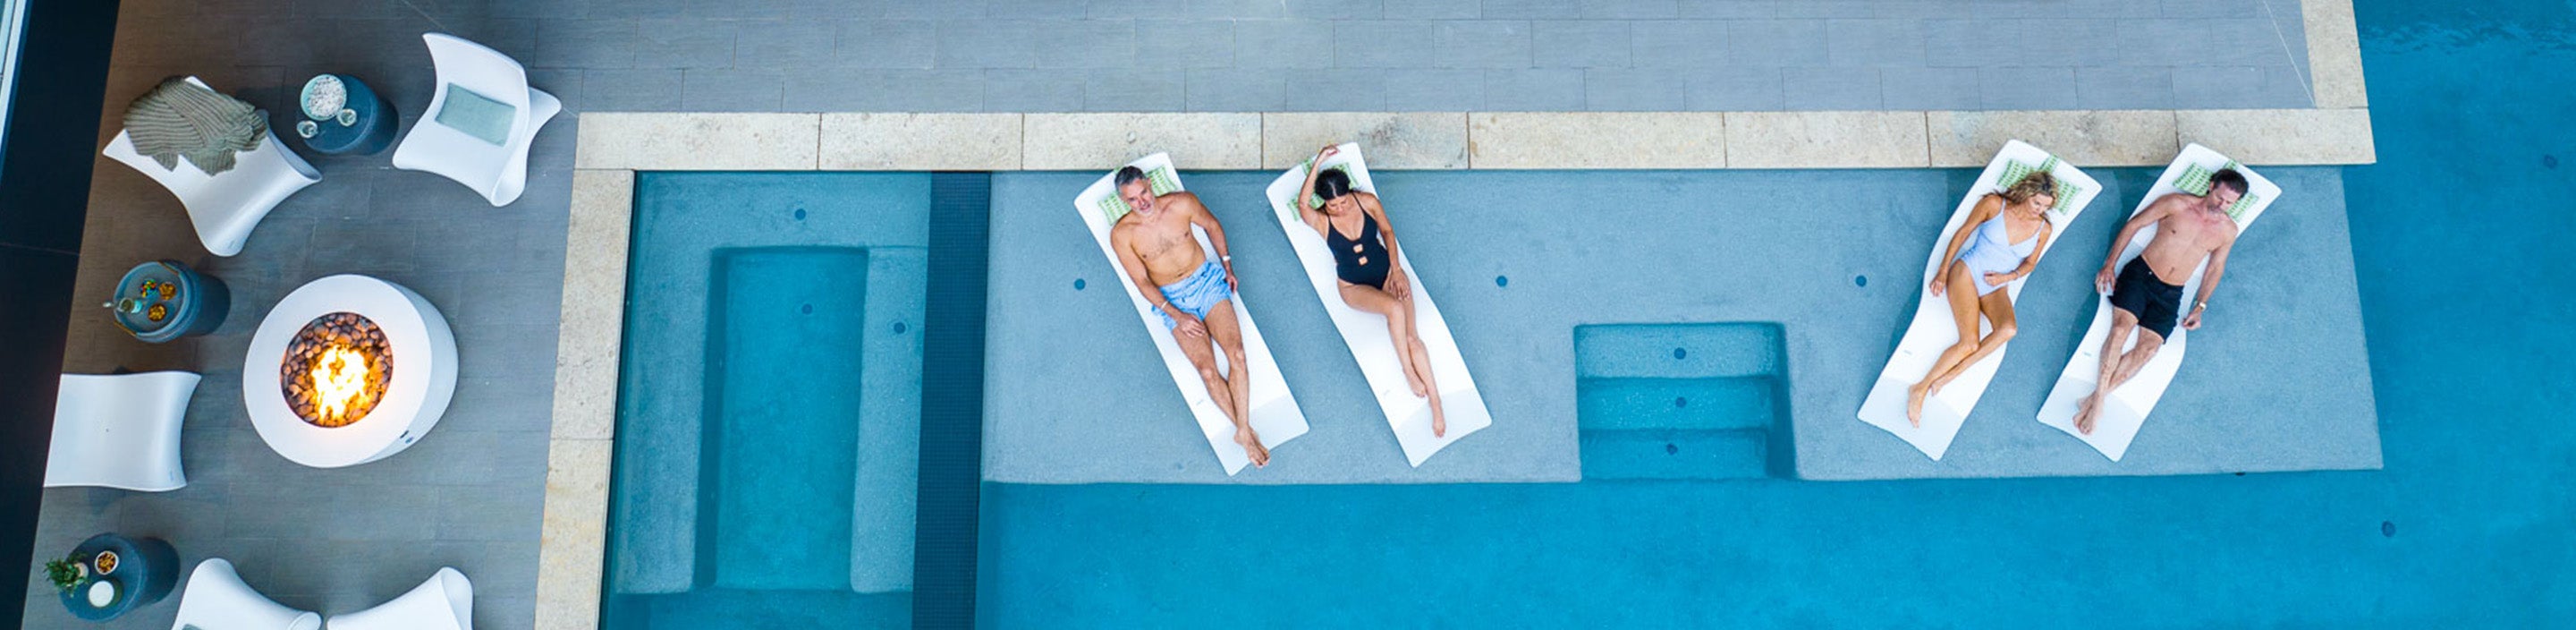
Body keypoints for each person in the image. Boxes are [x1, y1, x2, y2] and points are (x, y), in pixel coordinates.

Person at [1107, 166, 1267, 466]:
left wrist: (1228, 266)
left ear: (1150, 184)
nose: (1142, 202)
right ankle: (1244, 432)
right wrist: (1177, 315)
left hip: (1205, 282)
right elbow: (1142, 282)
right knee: (1207, 371)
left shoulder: (1182, 203)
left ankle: (1243, 432)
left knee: (1238, 354)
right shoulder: (1123, 234)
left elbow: (1213, 226)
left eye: (1143, 193)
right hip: (1170, 299)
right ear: (1124, 202)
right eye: (1132, 200)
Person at [2071, 168, 2247, 434]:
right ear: (2211, 186)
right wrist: (2109, 265)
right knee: (2119, 330)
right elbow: (2133, 225)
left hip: (2171, 293)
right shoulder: (2176, 203)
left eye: (2230, 203)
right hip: (2142, 275)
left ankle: (2096, 398)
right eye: (2220, 198)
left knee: (2149, 350)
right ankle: (2097, 408)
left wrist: (2200, 306)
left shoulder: (2227, 231)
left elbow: (2215, 268)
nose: (2223, 206)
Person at [1292, 144, 1448, 437]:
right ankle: (1408, 372)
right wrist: (1320, 161)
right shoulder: (1322, 220)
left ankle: (1436, 404)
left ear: (1350, 192)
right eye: (1332, 205)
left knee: (1413, 336)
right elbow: (1302, 204)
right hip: (1354, 287)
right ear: (1324, 203)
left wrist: (1397, 270)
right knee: (1395, 309)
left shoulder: (1367, 202)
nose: (1339, 208)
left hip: (1388, 274)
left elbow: (1387, 232)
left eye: (1343, 202)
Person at [1907, 172, 2061, 425]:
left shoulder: (2044, 228)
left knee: (2008, 330)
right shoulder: (1994, 204)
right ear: (2026, 194)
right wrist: (1943, 271)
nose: (2040, 210)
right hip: (1968, 271)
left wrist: (2007, 277)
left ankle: (1950, 375)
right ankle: (1920, 388)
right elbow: (1963, 233)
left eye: (2046, 206)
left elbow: (2030, 263)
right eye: (2037, 203)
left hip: (1996, 283)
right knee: (1969, 343)